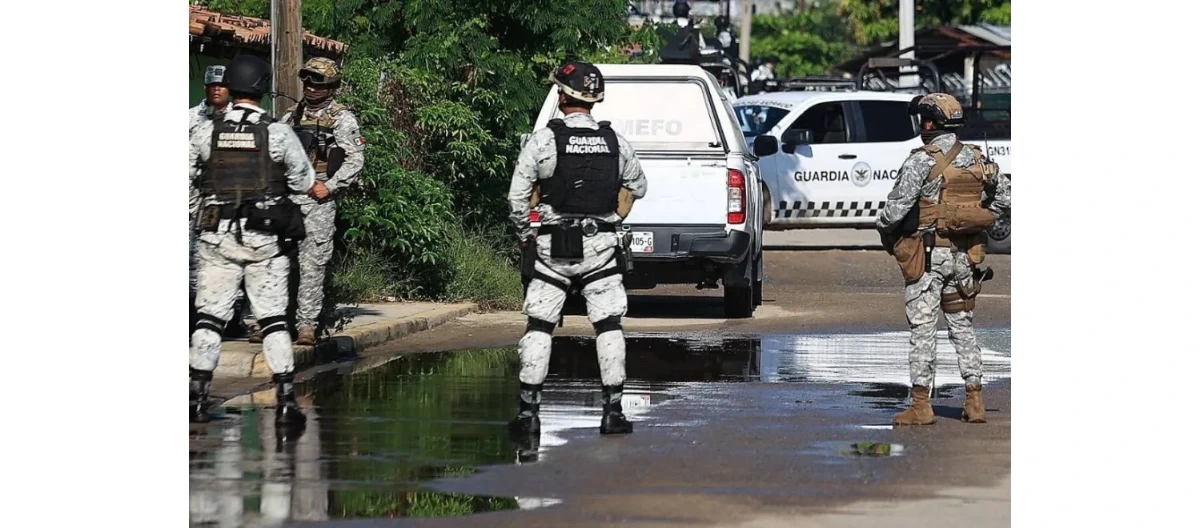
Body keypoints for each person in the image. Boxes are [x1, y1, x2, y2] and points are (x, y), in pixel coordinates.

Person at [506, 60, 647, 440]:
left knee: (539, 326)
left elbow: (517, 197)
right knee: (609, 327)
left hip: (553, 247)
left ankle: (528, 415)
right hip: (602, 247)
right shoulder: (615, 142)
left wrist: (526, 236)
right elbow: (638, 185)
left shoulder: (544, 141)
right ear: (594, 100)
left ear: (561, 95)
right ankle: (613, 412)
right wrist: (612, 218)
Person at [189, 54, 316, 426]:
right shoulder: (276, 132)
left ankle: (197, 398)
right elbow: (304, 182)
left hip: (216, 239)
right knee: (274, 321)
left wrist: (201, 211)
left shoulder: (205, 132)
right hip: (265, 241)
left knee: (209, 319)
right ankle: (287, 402)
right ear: (262, 86)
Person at [876, 93, 1011, 426]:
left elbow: (895, 211)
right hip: (966, 257)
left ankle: (921, 406)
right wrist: (984, 220)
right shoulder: (979, 159)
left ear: (930, 123)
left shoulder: (921, 160)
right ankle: (975, 401)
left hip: (929, 257)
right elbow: (1005, 200)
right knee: (962, 327)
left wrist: (884, 227)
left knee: (923, 330)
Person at [259, 57, 365, 346]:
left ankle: (307, 325)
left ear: (331, 86)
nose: (311, 86)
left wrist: (329, 187)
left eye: (317, 81)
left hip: (317, 202)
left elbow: (355, 159)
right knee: (277, 262)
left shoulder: (342, 119)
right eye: (307, 80)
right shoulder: (291, 116)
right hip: (288, 200)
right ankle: (273, 321)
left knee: (312, 265)